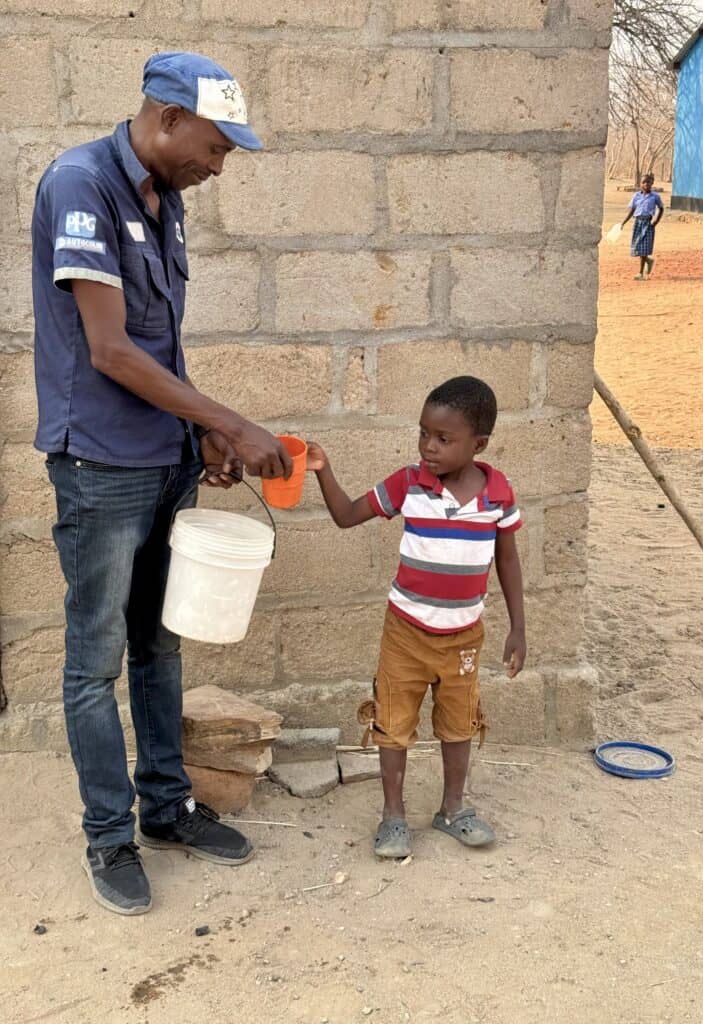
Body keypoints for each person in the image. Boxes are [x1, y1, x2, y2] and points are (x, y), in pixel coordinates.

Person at [32, 52, 294, 916]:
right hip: (101, 466)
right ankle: (109, 836)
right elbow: (110, 350)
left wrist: (198, 434)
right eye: (215, 148)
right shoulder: (82, 184)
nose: (218, 168)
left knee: (160, 641)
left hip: (163, 460)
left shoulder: (164, 199)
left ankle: (167, 809)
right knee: (94, 660)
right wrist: (234, 422)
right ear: (168, 118)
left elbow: (159, 349)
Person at [306, 377, 526, 858]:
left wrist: (518, 628)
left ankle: (453, 809)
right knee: (393, 721)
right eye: (424, 433)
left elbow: (507, 560)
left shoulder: (498, 495)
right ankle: (393, 817)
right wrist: (323, 470)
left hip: (463, 637)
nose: (429, 446)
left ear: (478, 444)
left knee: (460, 723)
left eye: (444, 439)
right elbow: (346, 515)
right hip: (405, 634)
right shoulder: (409, 484)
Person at [621, 173, 664, 280]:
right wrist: (623, 222)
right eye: (643, 182)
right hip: (638, 223)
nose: (646, 184)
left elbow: (661, 208)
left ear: (652, 183)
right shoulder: (636, 196)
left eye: (648, 182)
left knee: (644, 249)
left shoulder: (655, 196)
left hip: (648, 224)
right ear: (640, 183)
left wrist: (656, 221)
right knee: (637, 247)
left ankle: (640, 273)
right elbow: (632, 210)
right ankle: (648, 260)